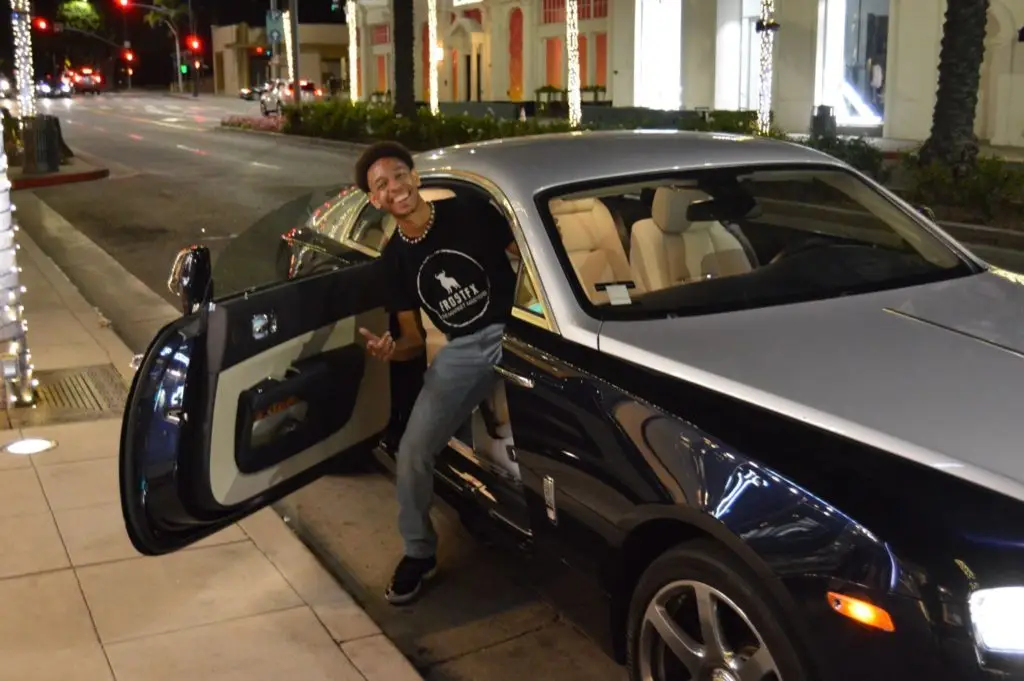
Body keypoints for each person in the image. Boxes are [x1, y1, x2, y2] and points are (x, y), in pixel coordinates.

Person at [353, 141, 519, 605]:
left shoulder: (469, 212)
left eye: (399, 175)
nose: (395, 187)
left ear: (415, 177)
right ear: (375, 200)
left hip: (518, 332)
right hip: (463, 350)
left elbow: (525, 257)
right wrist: (393, 350)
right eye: (381, 184)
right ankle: (419, 552)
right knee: (412, 451)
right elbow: (411, 338)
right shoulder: (394, 261)